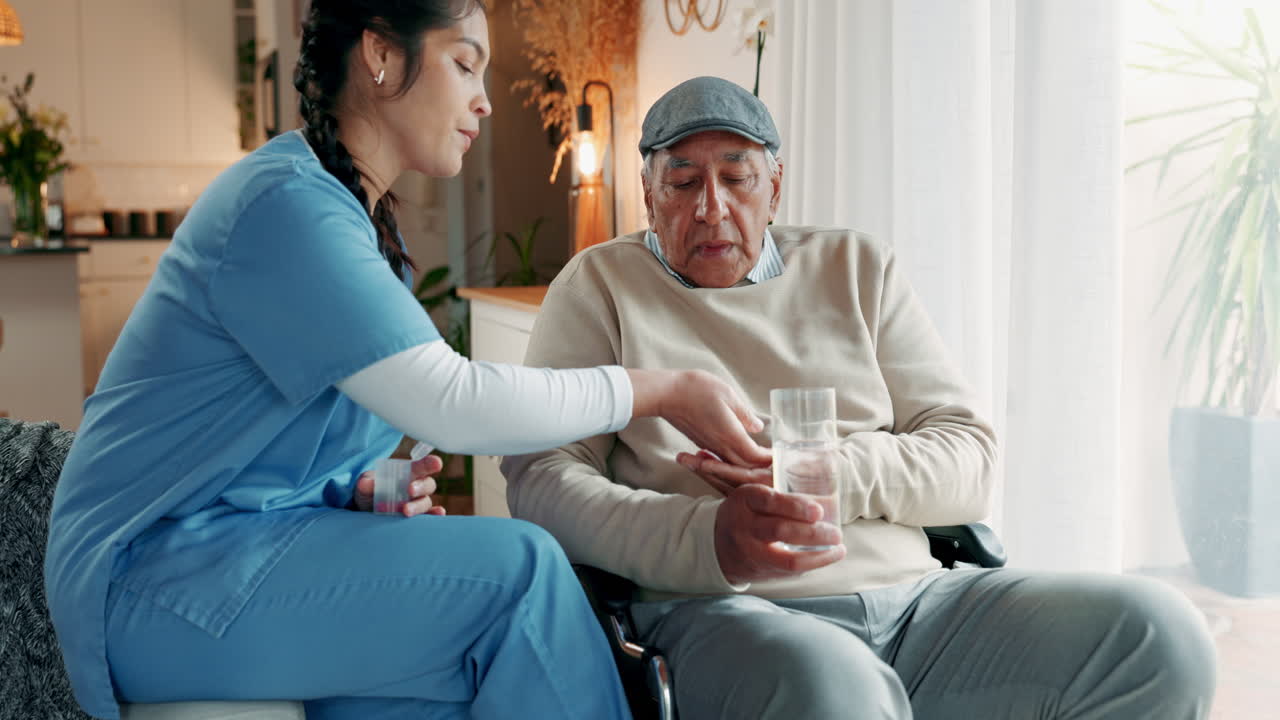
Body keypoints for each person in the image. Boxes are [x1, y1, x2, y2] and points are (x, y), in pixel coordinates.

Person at [43, 8, 770, 720]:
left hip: (221, 554)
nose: (483, 98)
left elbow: (255, 450)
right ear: (381, 55)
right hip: (151, 579)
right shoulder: (287, 207)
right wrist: (663, 389)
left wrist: (357, 491)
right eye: (464, 64)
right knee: (522, 576)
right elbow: (451, 400)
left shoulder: (335, 210)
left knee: (439, 686)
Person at [501, 76, 1218, 719]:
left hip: (918, 606)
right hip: (726, 612)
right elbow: (542, 480)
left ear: (775, 188)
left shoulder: (858, 268)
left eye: (737, 178)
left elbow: (969, 458)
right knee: (839, 690)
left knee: (1160, 633)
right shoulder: (597, 286)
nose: (712, 207)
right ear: (650, 192)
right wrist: (709, 539)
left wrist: (828, 474)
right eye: (683, 181)